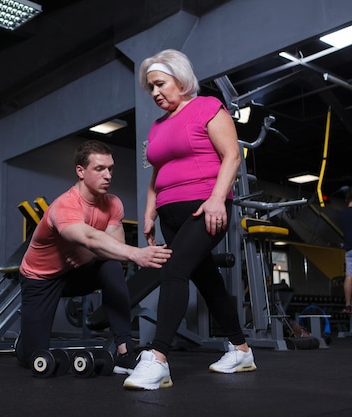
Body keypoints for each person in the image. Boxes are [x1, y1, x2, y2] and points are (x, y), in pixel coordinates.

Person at [123, 49, 256, 391]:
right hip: (169, 212)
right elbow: (157, 171)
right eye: (150, 87)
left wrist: (216, 199)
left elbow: (232, 156)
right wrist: (150, 211)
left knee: (175, 271)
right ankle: (241, 349)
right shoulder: (156, 126)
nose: (154, 92)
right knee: (207, 280)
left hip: (203, 208)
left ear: (181, 79)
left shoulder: (208, 107)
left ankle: (158, 359)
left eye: (160, 84)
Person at [16, 139, 173, 375]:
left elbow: (113, 246)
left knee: (110, 266)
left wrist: (88, 253)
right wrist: (137, 254)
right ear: (80, 171)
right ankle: (23, 344)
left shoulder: (113, 204)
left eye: (110, 168)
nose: (108, 175)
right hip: (41, 279)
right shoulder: (65, 206)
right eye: (99, 169)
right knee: (33, 358)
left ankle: (124, 351)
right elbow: (89, 237)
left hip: (75, 273)